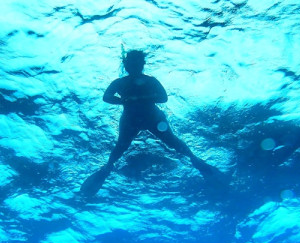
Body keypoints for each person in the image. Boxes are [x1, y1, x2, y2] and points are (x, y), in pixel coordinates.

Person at [80, 50, 215, 196]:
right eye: (131, 63)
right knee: (122, 146)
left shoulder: (149, 81)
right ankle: (108, 166)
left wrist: (137, 99)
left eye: (136, 63)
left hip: (150, 117)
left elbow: (163, 98)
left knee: (171, 141)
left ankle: (194, 158)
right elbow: (106, 97)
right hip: (139, 118)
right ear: (126, 65)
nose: (133, 66)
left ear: (141, 64)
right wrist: (123, 100)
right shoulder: (121, 82)